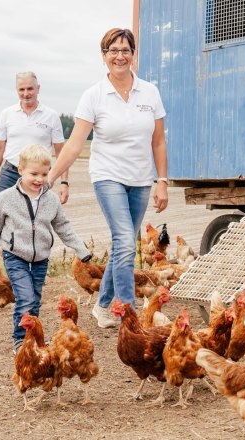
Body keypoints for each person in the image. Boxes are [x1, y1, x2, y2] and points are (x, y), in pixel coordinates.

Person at [46, 28, 169, 328]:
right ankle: (127, 313)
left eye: (125, 50)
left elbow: (158, 141)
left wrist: (162, 180)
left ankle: (102, 305)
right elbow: (75, 143)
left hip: (140, 179)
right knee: (127, 242)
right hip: (107, 177)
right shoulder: (94, 96)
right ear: (104, 56)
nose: (120, 56)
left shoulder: (149, 92)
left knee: (123, 245)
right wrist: (51, 176)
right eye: (113, 50)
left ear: (133, 54)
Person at [0, 144, 91, 354]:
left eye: (44, 174)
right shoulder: (7, 198)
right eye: (34, 173)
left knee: (34, 300)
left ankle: (32, 337)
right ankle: (20, 340)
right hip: (15, 256)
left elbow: (63, 227)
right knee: (26, 298)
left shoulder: (51, 200)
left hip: (40, 259)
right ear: (20, 170)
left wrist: (81, 249)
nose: (39, 179)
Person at [0, 71, 70, 288]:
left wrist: (64, 182)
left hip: (38, 177)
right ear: (16, 91)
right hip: (10, 172)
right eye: (22, 89)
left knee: (35, 223)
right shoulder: (7, 114)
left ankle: (34, 271)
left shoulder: (50, 116)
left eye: (30, 88)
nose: (26, 93)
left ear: (38, 89)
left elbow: (61, 151)